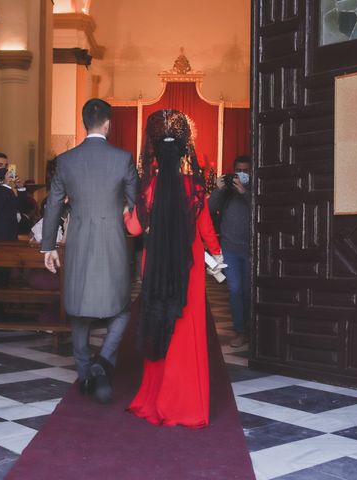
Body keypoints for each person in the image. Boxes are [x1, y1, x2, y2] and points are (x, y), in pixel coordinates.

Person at [125, 109, 223, 428]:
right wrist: (217, 255)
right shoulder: (194, 188)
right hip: (188, 268)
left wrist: (125, 213)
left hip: (155, 267)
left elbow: (135, 229)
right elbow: (206, 228)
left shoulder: (149, 189)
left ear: (154, 152)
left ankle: (155, 399)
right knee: (186, 328)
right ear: (184, 151)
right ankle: (185, 404)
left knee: (160, 325)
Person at [42, 98, 138, 404]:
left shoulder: (66, 161)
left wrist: (48, 246)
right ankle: (103, 360)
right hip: (113, 243)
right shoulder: (122, 158)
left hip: (79, 242)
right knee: (122, 308)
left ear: (85, 123)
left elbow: (53, 204)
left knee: (79, 310)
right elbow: (136, 205)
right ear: (108, 123)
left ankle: (85, 374)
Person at [208, 155, 251, 348]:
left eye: (246, 170)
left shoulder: (254, 190)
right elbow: (209, 208)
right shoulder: (226, 193)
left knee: (249, 291)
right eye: (238, 170)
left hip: (252, 250)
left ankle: (253, 331)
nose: (242, 174)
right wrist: (218, 189)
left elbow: (262, 210)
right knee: (235, 290)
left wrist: (244, 192)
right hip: (230, 249)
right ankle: (240, 331)